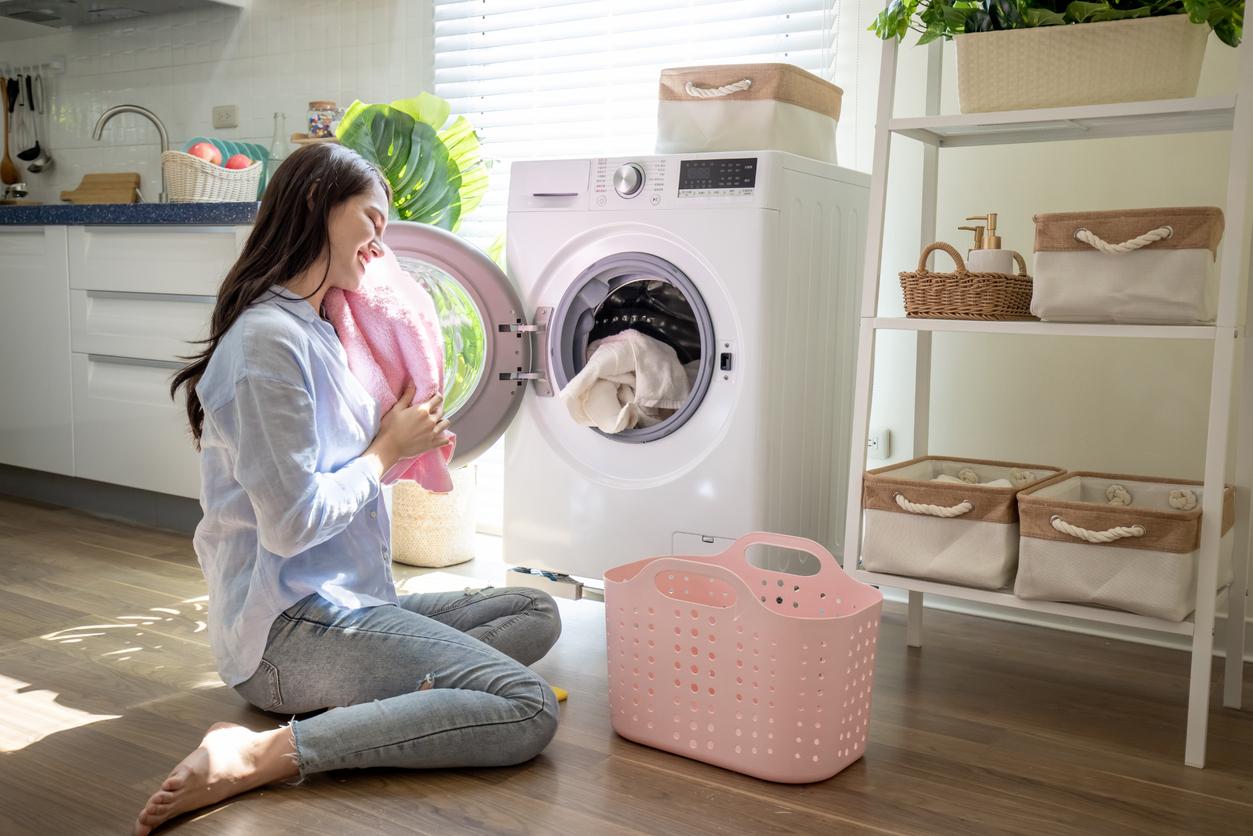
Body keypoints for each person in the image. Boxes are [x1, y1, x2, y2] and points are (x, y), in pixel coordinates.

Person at [137, 143, 561, 835]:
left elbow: (345, 469)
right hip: (286, 633)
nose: (379, 243)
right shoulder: (265, 345)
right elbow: (293, 526)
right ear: (315, 206)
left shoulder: (324, 327)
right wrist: (388, 448)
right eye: (371, 219)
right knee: (525, 706)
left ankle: (402, 698)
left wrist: (398, 439)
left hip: (346, 600)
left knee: (535, 611)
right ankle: (262, 751)